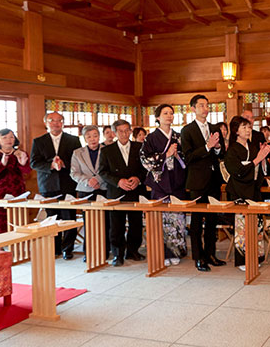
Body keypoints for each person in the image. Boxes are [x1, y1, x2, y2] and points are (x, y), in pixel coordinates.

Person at [181, 94, 226, 272]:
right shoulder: (187, 130)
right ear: (193, 108)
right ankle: (199, 258)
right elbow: (188, 157)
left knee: (212, 221)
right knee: (197, 222)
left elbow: (221, 154)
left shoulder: (214, 128)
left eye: (207, 105)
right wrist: (207, 147)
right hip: (197, 181)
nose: (205, 109)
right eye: (201, 105)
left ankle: (211, 254)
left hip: (214, 180)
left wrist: (216, 148)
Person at [140, 104, 188, 266]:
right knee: (162, 219)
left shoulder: (178, 136)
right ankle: (163, 252)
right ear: (158, 117)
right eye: (165, 113)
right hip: (160, 183)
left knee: (177, 219)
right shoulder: (151, 138)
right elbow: (144, 159)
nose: (169, 116)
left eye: (171, 113)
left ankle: (177, 252)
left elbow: (185, 158)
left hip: (176, 181)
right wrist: (164, 155)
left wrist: (177, 155)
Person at [30, 112, 82, 259]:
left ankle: (68, 248)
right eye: (52, 120)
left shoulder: (73, 140)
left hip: (68, 183)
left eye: (59, 120)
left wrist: (64, 163)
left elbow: (79, 161)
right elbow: (34, 163)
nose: (56, 123)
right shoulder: (39, 141)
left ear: (63, 123)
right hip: (48, 184)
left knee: (69, 217)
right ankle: (55, 247)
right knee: (52, 218)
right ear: (46, 123)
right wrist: (51, 165)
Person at [224, 116, 270, 270]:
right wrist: (257, 160)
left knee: (256, 225)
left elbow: (259, 169)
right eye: (244, 127)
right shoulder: (232, 150)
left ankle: (256, 255)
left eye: (249, 127)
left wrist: (262, 159)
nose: (248, 130)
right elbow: (237, 171)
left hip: (253, 189)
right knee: (242, 227)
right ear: (236, 131)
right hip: (239, 190)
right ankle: (242, 259)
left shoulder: (252, 147)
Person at [98, 119, 146, 267]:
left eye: (127, 130)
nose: (124, 134)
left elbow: (146, 167)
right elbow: (103, 172)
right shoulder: (107, 150)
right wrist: (118, 181)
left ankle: (133, 251)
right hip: (116, 191)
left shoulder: (140, 147)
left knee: (136, 223)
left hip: (135, 190)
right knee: (116, 225)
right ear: (114, 133)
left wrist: (138, 178)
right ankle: (117, 254)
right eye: (121, 131)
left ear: (131, 131)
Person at [70, 125, 110, 260]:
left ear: (99, 137)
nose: (92, 139)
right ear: (84, 138)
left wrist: (97, 179)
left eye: (95, 136)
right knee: (89, 223)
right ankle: (89, 252)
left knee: (105, 222)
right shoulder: (77, 153)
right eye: (89, 136)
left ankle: (105, 251)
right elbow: (74, 173)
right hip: (85, 190)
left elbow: (109, 169)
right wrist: (88, 181)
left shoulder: (107, 150)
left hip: (104, 188)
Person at [0, 129, 32, 236]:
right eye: (4, 137)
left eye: (11, 137)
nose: (9, 140)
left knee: (18, 219)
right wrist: (2, 164)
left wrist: (23, 164)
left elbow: (27, 171)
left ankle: (18, 245)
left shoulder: (20, 153)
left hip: (17, 191)